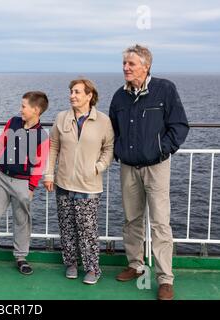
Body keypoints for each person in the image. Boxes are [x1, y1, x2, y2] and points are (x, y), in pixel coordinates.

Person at [109, 44, 189, 300]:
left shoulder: (164, 89)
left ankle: (165, 278)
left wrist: (161, 150)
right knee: (131, 219)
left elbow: (179, 126)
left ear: (146, 66)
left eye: (131, 64)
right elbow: (113, 130)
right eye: (124, 64)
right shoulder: (119, 97)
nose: (126, 68)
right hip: (128, 167)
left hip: (156, 167)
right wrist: (118, 151)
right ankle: (135, 264)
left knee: (160, 223)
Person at [43, 79, 114, 285]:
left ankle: (93, 268)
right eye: (71, 92)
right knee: (67, 227)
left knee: (88, 229)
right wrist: (49, 174)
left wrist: (98, 168)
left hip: (89, 184)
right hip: (64, 182)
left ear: (89, 96)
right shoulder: (61, 117)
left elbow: (108, 148)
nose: (72, 95)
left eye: (77, 92)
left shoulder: (102, 120)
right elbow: (54, 146)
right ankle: (71, 263)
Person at [0, 91, 50, 276]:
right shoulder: (13, 122)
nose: (20, 109)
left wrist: (31, 187)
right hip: (0, 177)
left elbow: (39, 164)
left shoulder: (43, 136)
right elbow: (0, 145)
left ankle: (21, 257)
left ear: (36, 109)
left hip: (23, 183)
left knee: (22, 220)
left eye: (24, 106)